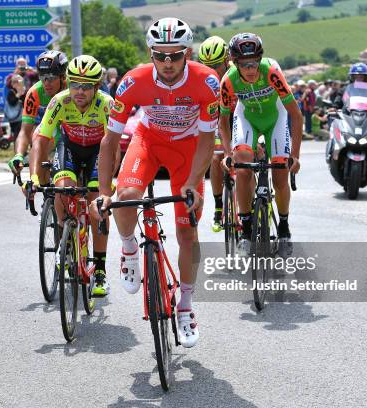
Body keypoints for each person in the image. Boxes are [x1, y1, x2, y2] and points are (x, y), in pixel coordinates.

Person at [94, 18, 220, 348]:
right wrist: (104, 192)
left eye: (175, 56)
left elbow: (209, 139)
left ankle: (186, 306)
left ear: (188, 54)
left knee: (187, 232)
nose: (167, 63)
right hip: (148, 141)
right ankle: (129, 248)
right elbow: (110, 141)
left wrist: (193, 182)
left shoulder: (207, 81)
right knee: (128, 194)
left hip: (189, 149)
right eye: (160, 55)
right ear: (150, 54)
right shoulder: (132, 81)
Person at [31, 55, 114, 297]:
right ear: (67, 83)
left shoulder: (106, 104)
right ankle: (64, 238)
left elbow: (113, 145)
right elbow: (41, 138)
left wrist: (108, 183)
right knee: (62, 188)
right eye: (75, 84)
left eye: (86, 86)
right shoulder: (59, 101)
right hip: (69, 149)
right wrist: (35, 177)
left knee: (97, 202)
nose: (79, 91)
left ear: (97, 87)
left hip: (99, 150)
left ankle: (99, 270)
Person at [221, 33, 302, 258]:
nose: (251, 69)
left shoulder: (272, 72)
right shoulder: (228, 81)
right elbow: (223, 120)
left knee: (280, 175)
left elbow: (296, 115)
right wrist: (228, 153)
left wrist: (295, 156)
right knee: (243, 165)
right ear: (235, 63)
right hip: (247, 119)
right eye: (245, 64)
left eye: (255, 62)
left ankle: (284, 229)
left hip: (276, 119)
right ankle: (246, 232)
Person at [8, 50, 69, 181]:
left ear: (63, 77)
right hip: (50, 130)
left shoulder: (73, 88)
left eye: (51, 78)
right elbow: (25, 131)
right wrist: (18, 154)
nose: (46, 83)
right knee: (38, 140)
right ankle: (44, 189)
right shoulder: (35, 92)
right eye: (42, 77)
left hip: (71, 128)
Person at [198, 35, 233, 232]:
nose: (213, 70)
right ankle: (219, 208)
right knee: (216, 157)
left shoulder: (236, 75)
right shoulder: (203, 79)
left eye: (217, 65)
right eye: (207, 65)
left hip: (237, 119)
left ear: (227, 60)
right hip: (217, 123)